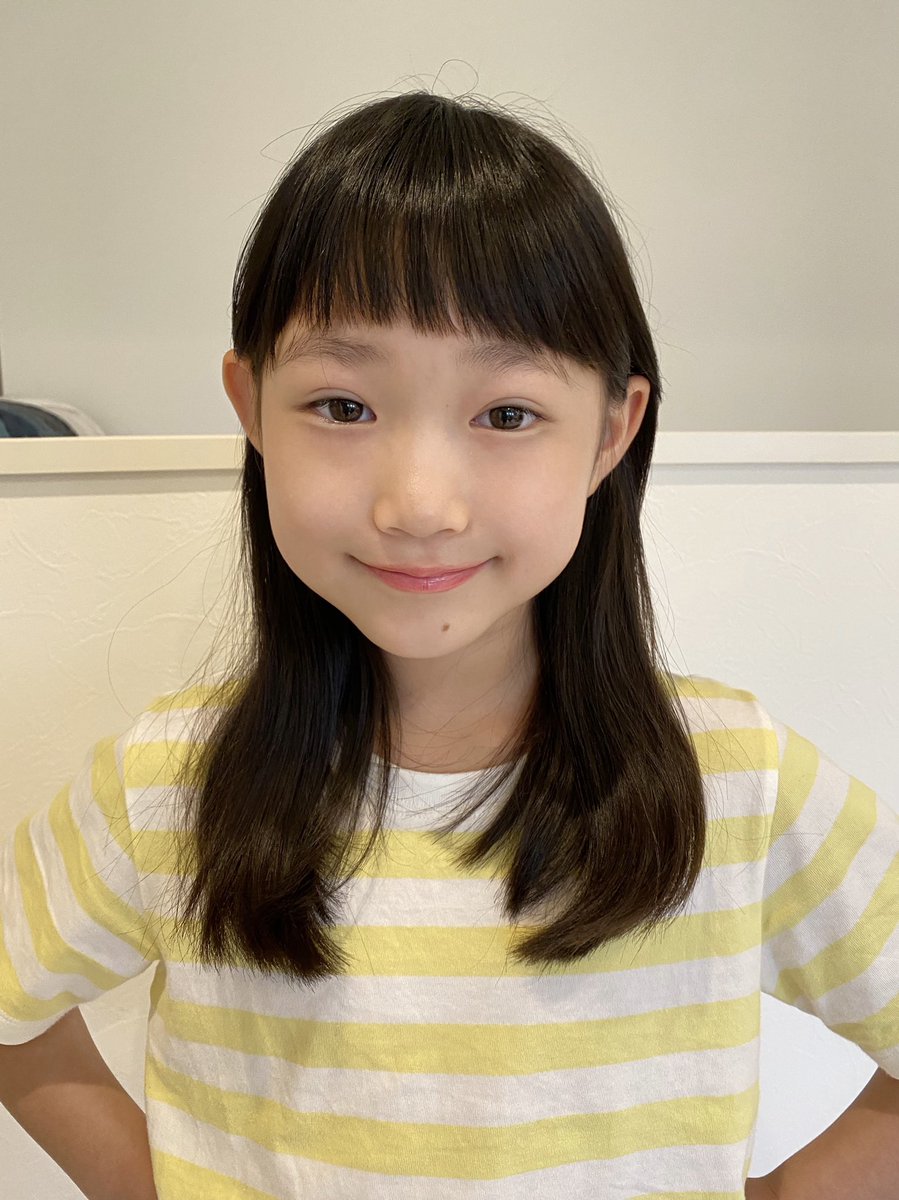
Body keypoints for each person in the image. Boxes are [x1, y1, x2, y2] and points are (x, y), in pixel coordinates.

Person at [1, 89, 896, 1200]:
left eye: (506, 414)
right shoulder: (168, 783)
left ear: (611, 431)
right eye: (342, 405)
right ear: (250, 405)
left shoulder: (736, 781)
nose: (419, 504)